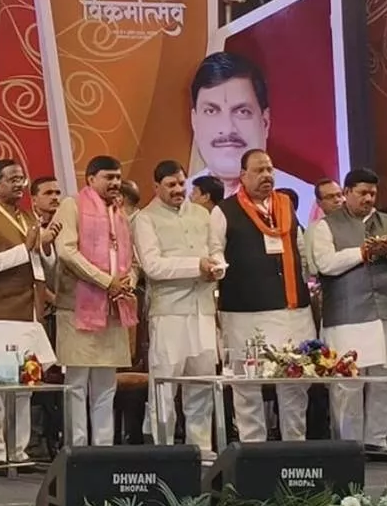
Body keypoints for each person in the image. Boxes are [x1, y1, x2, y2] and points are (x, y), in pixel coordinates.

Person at [312, 167, 387, 460]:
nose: (368, 199)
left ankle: (377, 441)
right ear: (346, 193)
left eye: (372, 193)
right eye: (362, 193)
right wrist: (362, 252)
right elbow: (325, 263)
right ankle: (349, 442)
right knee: (349, 383)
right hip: (348, 315)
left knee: (386, 378)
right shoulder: (326, 226)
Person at [211, 149, 314, 443]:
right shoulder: (224, 211)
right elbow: (215, 250)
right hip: (244, 311)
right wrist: (216, 269)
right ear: (243, 176)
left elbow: (300, 249)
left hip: (291, 308)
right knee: (247, 382)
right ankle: (252, 446)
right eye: (259, 170)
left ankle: (295, 443)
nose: (266, 175)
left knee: (295, 378)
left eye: (269, 169)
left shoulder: (285, 205)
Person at [0, 159, 58, 464]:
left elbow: (38, 262)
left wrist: (46, 247)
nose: (20, 184)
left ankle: (18, 451)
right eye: (13, 179)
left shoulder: (26, 215)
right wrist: (26, 248)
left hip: (28, 309)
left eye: (22, 179)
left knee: (24, 385)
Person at [132, 160, 218, 459]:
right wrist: (197, 266)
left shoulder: (202, 214)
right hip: (169, 311)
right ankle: (162, 450)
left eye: (182, 183)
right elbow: (153, 266)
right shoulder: (145, 218)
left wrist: (216, 266)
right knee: (165, 383)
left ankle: (201, 448)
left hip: (203, 309)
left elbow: (215, 250)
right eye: (171, 185)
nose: (178, 189)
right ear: (156, 187)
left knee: (202, 381)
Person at [54, 155, 137, 447]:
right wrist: (105, 281)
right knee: (76, 384)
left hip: (114, 306)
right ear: (90, 179)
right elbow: (66, 251)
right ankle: (76, 449)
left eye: (118, 177)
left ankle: (103, 448)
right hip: (78, 306)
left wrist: (128, 282)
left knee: (106, 384)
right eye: (108, 177)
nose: (115, 183)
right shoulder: (72, 205)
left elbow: (132, 260)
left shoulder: (119, 211)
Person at [186, 52, 315, 225]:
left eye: (242, 112)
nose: (227, 129)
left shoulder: (308, 202)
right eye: (211, 111)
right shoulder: (178, 199)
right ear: (194, 121)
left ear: (265, 122)